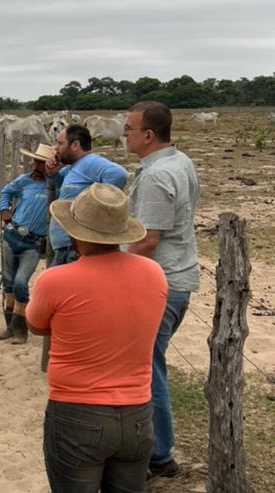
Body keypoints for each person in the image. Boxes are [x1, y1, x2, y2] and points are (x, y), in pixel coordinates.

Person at [27, 183, 167, 493]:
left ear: (75, 234)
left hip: (76, 412)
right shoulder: (154, 273)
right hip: (137, 412)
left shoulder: (55, 280)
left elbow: (36, 325)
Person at [123, 101, 200, 479]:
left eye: (129, 129)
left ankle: (159, 455)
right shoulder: (180, 162)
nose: (124, 135)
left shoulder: (156, 176)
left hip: (159, 283)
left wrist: (112, 269)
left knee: (147, 370)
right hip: (176, 278)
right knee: (151, 365)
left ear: (148, 135)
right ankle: (157, 450)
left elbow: (147, 240)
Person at [44, 124, 129, 266]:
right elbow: (63, 186)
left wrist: (101, 201)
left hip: (76, 249)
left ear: (75, 145)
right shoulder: (75, 166)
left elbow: (118, 174)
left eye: (60, 143)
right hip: (68, 247)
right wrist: (52, 173)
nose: (56, 148)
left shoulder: (91, 162)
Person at [0, 143, 52, 344]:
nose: (37, 166)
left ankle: (20, 328)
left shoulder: (55, 186)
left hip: (33, 242)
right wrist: (5, 210)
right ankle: (11, 326)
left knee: (20, 282)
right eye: (36, 162)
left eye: (42, 163)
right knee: (8, 281)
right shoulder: (24, 180)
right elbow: (5, 192)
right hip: (12, 235)